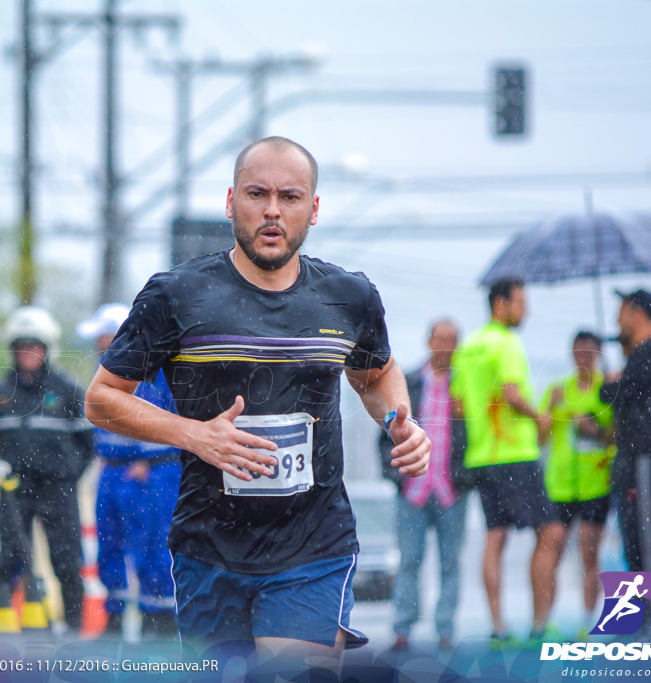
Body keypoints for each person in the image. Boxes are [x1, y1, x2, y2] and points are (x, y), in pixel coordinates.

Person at [84, 136, 430, 667]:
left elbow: (376, 374)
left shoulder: (348, 296)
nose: (272, 210)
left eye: (290, 197)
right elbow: (103, 399)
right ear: (230, 203)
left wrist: (395, 419)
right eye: (256, 194)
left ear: (313, 210)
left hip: (314, 544)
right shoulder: (176, 296)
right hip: (209, 545)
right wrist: (194, 433)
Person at [450, 278, 564, 646]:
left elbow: (458, 404)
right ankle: (539, 625)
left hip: (482, 456)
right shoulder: (507, 342)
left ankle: (498, 626)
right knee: (551, 532)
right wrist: (539, 417)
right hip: (515, 454)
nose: (525, 309)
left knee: (495, 536)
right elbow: (513, 394)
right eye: (520, 302)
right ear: (501, 304)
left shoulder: (467, 347)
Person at [0, 306, 94, 634]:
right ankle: (5, 626)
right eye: (21, 346)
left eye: (34, 346)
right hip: (16, 489)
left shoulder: (68, 388)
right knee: (9, 559)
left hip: (58, 489)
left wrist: (67, 473)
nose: (28, 353)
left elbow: (87, 442)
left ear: (47, 349)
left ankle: (74, 630)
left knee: (67, 562)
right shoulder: (3, 390)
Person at [78, 303, 182, 639]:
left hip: (149, 471)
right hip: (115, 468)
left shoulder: (150, 367)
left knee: (153, 544)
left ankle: (160, 618)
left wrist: (144, 458)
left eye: (103, 335)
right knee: (110, 542)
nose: (99, 342)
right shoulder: (105, 368)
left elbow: (158, 415)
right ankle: (117, 613)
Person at [382, 319, 472, 651]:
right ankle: (402, 629)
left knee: (450, 562)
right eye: (441, 339)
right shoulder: (407, 383)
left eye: (453, 340)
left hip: (452, 490)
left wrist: (467, 478)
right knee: (408, 561)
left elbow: (475, 437)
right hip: (413, 490)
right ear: (429, 341)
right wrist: (395, 475)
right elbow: (385, 429)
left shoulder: (466, 387)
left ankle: (445, 629)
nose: (447, 347)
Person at [599, 288, 651, 636]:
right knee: (632, 536)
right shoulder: (638, 356)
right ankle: (632, 616)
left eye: (622, 311)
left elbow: (614, 393)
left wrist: (611, 384)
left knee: (646, 536)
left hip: (646, 459)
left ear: (637, 313)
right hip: (631, 458)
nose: (618, 319)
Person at [540, 330, 615, 637]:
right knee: (551, 551)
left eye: (589, 352)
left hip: (596, 483)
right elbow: (539, 437)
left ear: (598, 355)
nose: (583, 357)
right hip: (559, 485)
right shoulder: (557, 390)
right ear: (571, 354)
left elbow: (618, 435)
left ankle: (587, 621)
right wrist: (547, 411)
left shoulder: (608, 390)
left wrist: (593, 429)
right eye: (578, 351)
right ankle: (545, 621)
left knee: (589, 553)